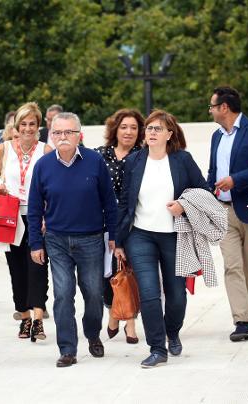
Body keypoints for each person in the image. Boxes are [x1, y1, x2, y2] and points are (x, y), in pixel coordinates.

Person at [115, 110, 210, 368]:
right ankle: (157, 348)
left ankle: (173, 332)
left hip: (175, 236)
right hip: (140, 235)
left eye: (158, 129)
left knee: (177, 295)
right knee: (149, 293)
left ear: (170, 134)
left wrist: (183, 204)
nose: (152, 132)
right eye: (149, 128)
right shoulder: (134, 161)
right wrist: (119, 240)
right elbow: (125, 202)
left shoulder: (182, 160)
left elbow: (204, 190)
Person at [28, 112, 117, 368]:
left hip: (91, 239)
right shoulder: (43, 165)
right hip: (56, 240)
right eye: (57, 133)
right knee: (63, 294)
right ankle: (67, 348)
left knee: (93, 292)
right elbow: (34, 209)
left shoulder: (94, 161)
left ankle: (92, 334)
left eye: (69, 132)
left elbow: (109, 202)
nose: (63, 137)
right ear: (51, 136)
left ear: (80, 135)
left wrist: (113, 235)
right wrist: (36, 243)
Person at [0, 102, 52, 341]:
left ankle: (38, 318)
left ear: (38, 126)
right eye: (23, 124)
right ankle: (24, 317)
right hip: (11, 214)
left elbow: (52, 184)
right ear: (16, 126)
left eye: (32, 124)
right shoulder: (4, 149)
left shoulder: (45, 151)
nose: (27, 129)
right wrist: (0, 187)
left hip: (38, 215)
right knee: (17, 268)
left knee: (38, 266)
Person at [207, 86, 248, 341]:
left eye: (212, 106)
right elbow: (212, 172)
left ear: (224, 108)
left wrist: (235, 180)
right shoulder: (216, 136)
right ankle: (241, 320)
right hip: (223, 211)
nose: (210, 111)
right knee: (232, 266)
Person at [95, 108, 144, 344]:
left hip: (133, 223)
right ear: (115, 129)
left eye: (134, 127)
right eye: (124, 127)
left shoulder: (144, 157)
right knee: (106, 276)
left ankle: (129, 322)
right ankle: (115, 315)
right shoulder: (98, 155)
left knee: (125, 272)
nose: (129, 132)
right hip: (102, 223)